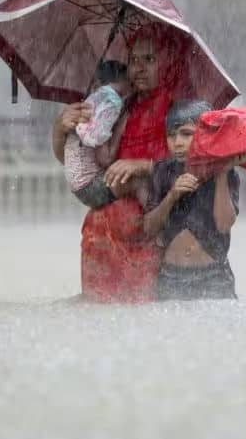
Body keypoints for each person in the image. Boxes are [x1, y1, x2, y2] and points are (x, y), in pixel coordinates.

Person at [52, 22, 193, 303]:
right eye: (133, 60)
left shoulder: (179, 109)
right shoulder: (117, 105)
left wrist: (143, 165)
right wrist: (61, 129)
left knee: (141, 320)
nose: (138, 68)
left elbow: (192, 165)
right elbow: (78, 164)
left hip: (149, 233)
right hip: (102, 233)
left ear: (168, 63)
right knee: (99, 322)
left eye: (149, 60)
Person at [142, 100, 246, 301]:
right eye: (171, 136)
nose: (178, 142)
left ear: (204, 135)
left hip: (214, 277)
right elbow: (148, 228)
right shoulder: (163, 171)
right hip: (171, 277)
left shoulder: (226, 170)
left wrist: (222, 173)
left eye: (186, 134)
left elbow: (224, 224)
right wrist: (172, 195)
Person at [62, 60, 139, 208]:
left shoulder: (93, 100)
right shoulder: (109, 105)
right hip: (90, 186)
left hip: (79, 185)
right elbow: (106, 159)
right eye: (131, 83)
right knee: (140, 183)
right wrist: (122, 125)